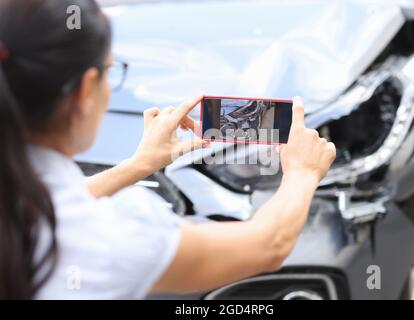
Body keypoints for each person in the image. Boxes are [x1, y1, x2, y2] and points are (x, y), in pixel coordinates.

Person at [0, 0, 336, 299]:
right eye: (110, 71)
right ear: (85, 90)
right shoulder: (113, 235)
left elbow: (47, 207)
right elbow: (268, 246)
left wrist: (138, 164)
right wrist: (302, 174)